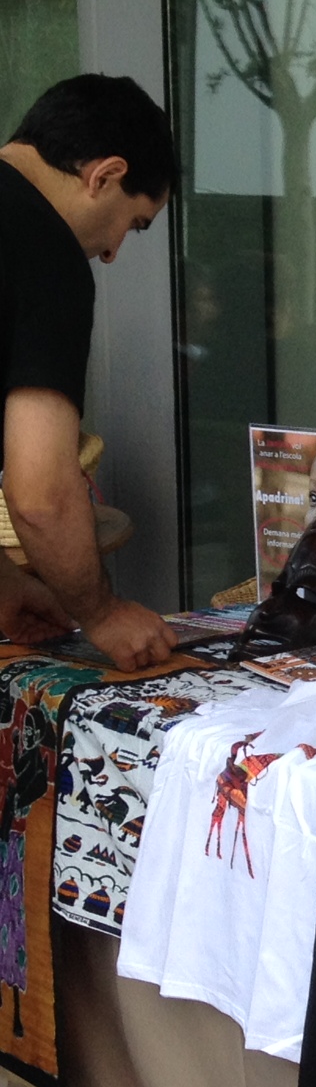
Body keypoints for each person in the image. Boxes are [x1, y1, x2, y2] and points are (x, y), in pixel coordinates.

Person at [0, 74, 180, 670]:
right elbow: (42, 492)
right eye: (133, 223)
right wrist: (102, 613)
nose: (111, 252)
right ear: (103, 175)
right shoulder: (43, 249)